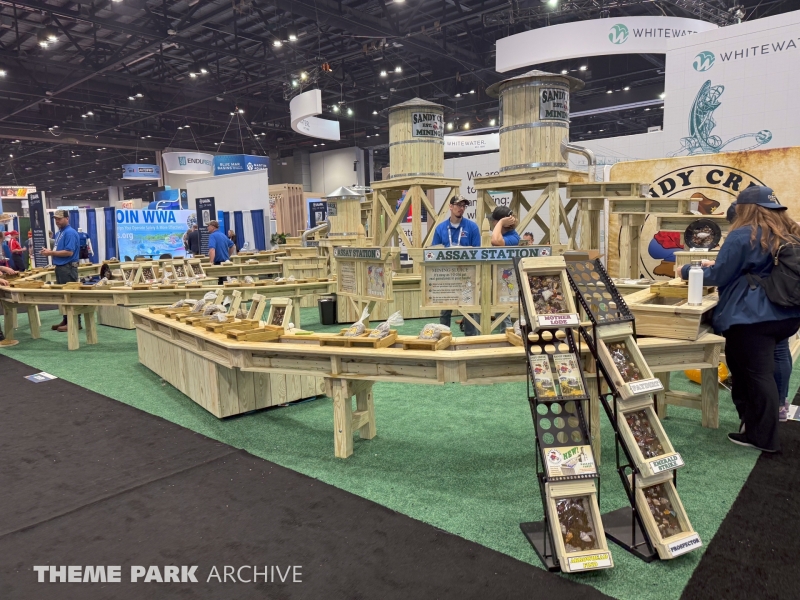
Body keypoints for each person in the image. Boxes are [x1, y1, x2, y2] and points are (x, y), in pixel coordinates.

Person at [679, 187, 800, 452]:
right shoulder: (789, 231)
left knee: (753, 376)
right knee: (764, 373)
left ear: (744, 208)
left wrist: (687, 270)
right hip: (785, 314)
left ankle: (762, 437)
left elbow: (719, 276)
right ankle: (762, 424)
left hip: (751, 316)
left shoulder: (743, 234)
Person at [727, 201, 794, 422]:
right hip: (788, 305)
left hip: (767, 305)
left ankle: (764, 419)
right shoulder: (787, 230)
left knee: (758, 372)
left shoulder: (753, 234)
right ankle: (779, 405)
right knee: (779, 351)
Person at [432, 195, 481, 336]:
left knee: (469, 309)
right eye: (458, 205)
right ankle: (443, 337)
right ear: (450, 206)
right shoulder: (440, 228)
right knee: (445, 310)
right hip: (447, 276)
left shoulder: (472, 227)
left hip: (467, 276)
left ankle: (471, 340)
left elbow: (478, 252)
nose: (461, 208)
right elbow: (434, 252)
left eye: (464, 206)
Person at [41, 210, 82, 332]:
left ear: (67, 218)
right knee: (64, 296)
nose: (57, 221)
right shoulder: (60, 233)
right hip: (61, 267)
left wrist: (50, 253)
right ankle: (66, 319)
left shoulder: (70, 233)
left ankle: (75, 322)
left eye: (59, 218)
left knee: (70, 295)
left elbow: (69, 252)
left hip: (68, 267)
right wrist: (50, 252)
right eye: (55, 219)